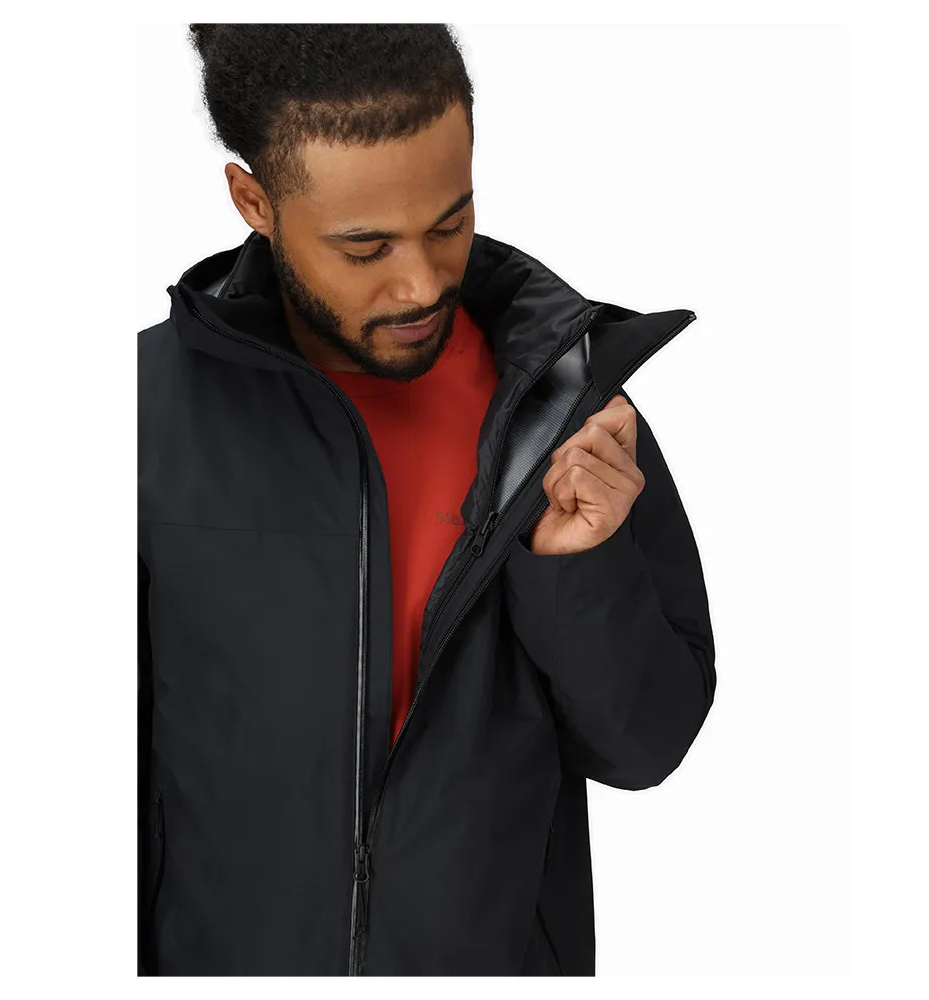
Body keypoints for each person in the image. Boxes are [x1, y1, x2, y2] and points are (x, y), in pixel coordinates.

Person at [138, 23, 716, 976]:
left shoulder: (561, 412)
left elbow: (643, 748)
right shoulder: (143, 414)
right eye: (365, 246)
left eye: (449, 224)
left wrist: (578, 568)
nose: (420, 283)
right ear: (255, 202)